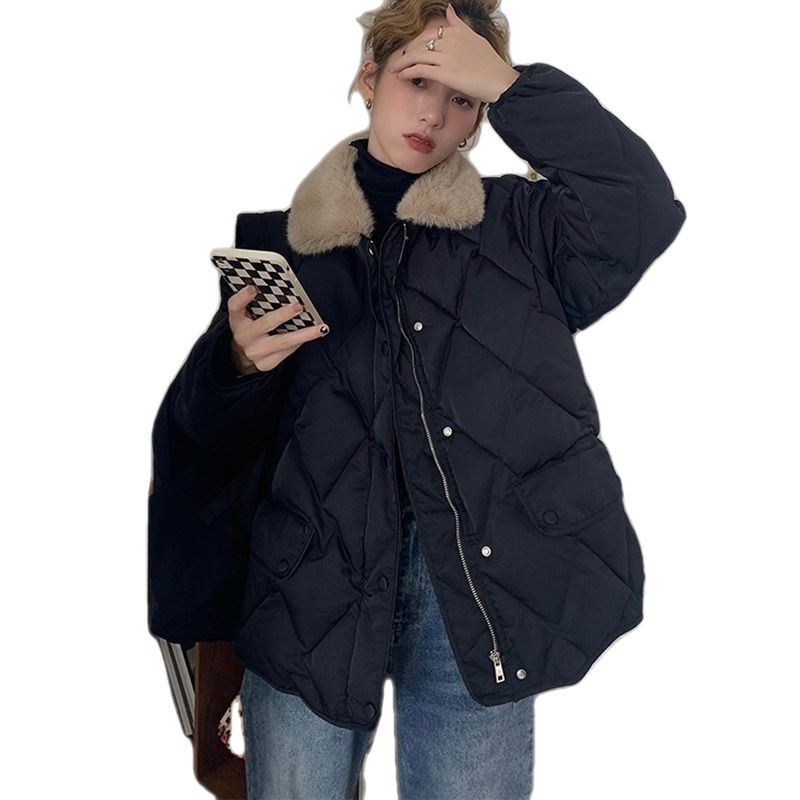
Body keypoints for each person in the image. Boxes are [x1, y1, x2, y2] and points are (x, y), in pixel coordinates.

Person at [149, 1, 686, 797]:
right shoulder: (286, 246)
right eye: (417, 80)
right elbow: (201, 438)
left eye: (464, 95)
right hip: (308, 585)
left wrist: (513, 84)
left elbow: (639, 206)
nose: (434, 114)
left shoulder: (525, 230)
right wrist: (235, 363)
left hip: (477, 582)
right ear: (369, 79)